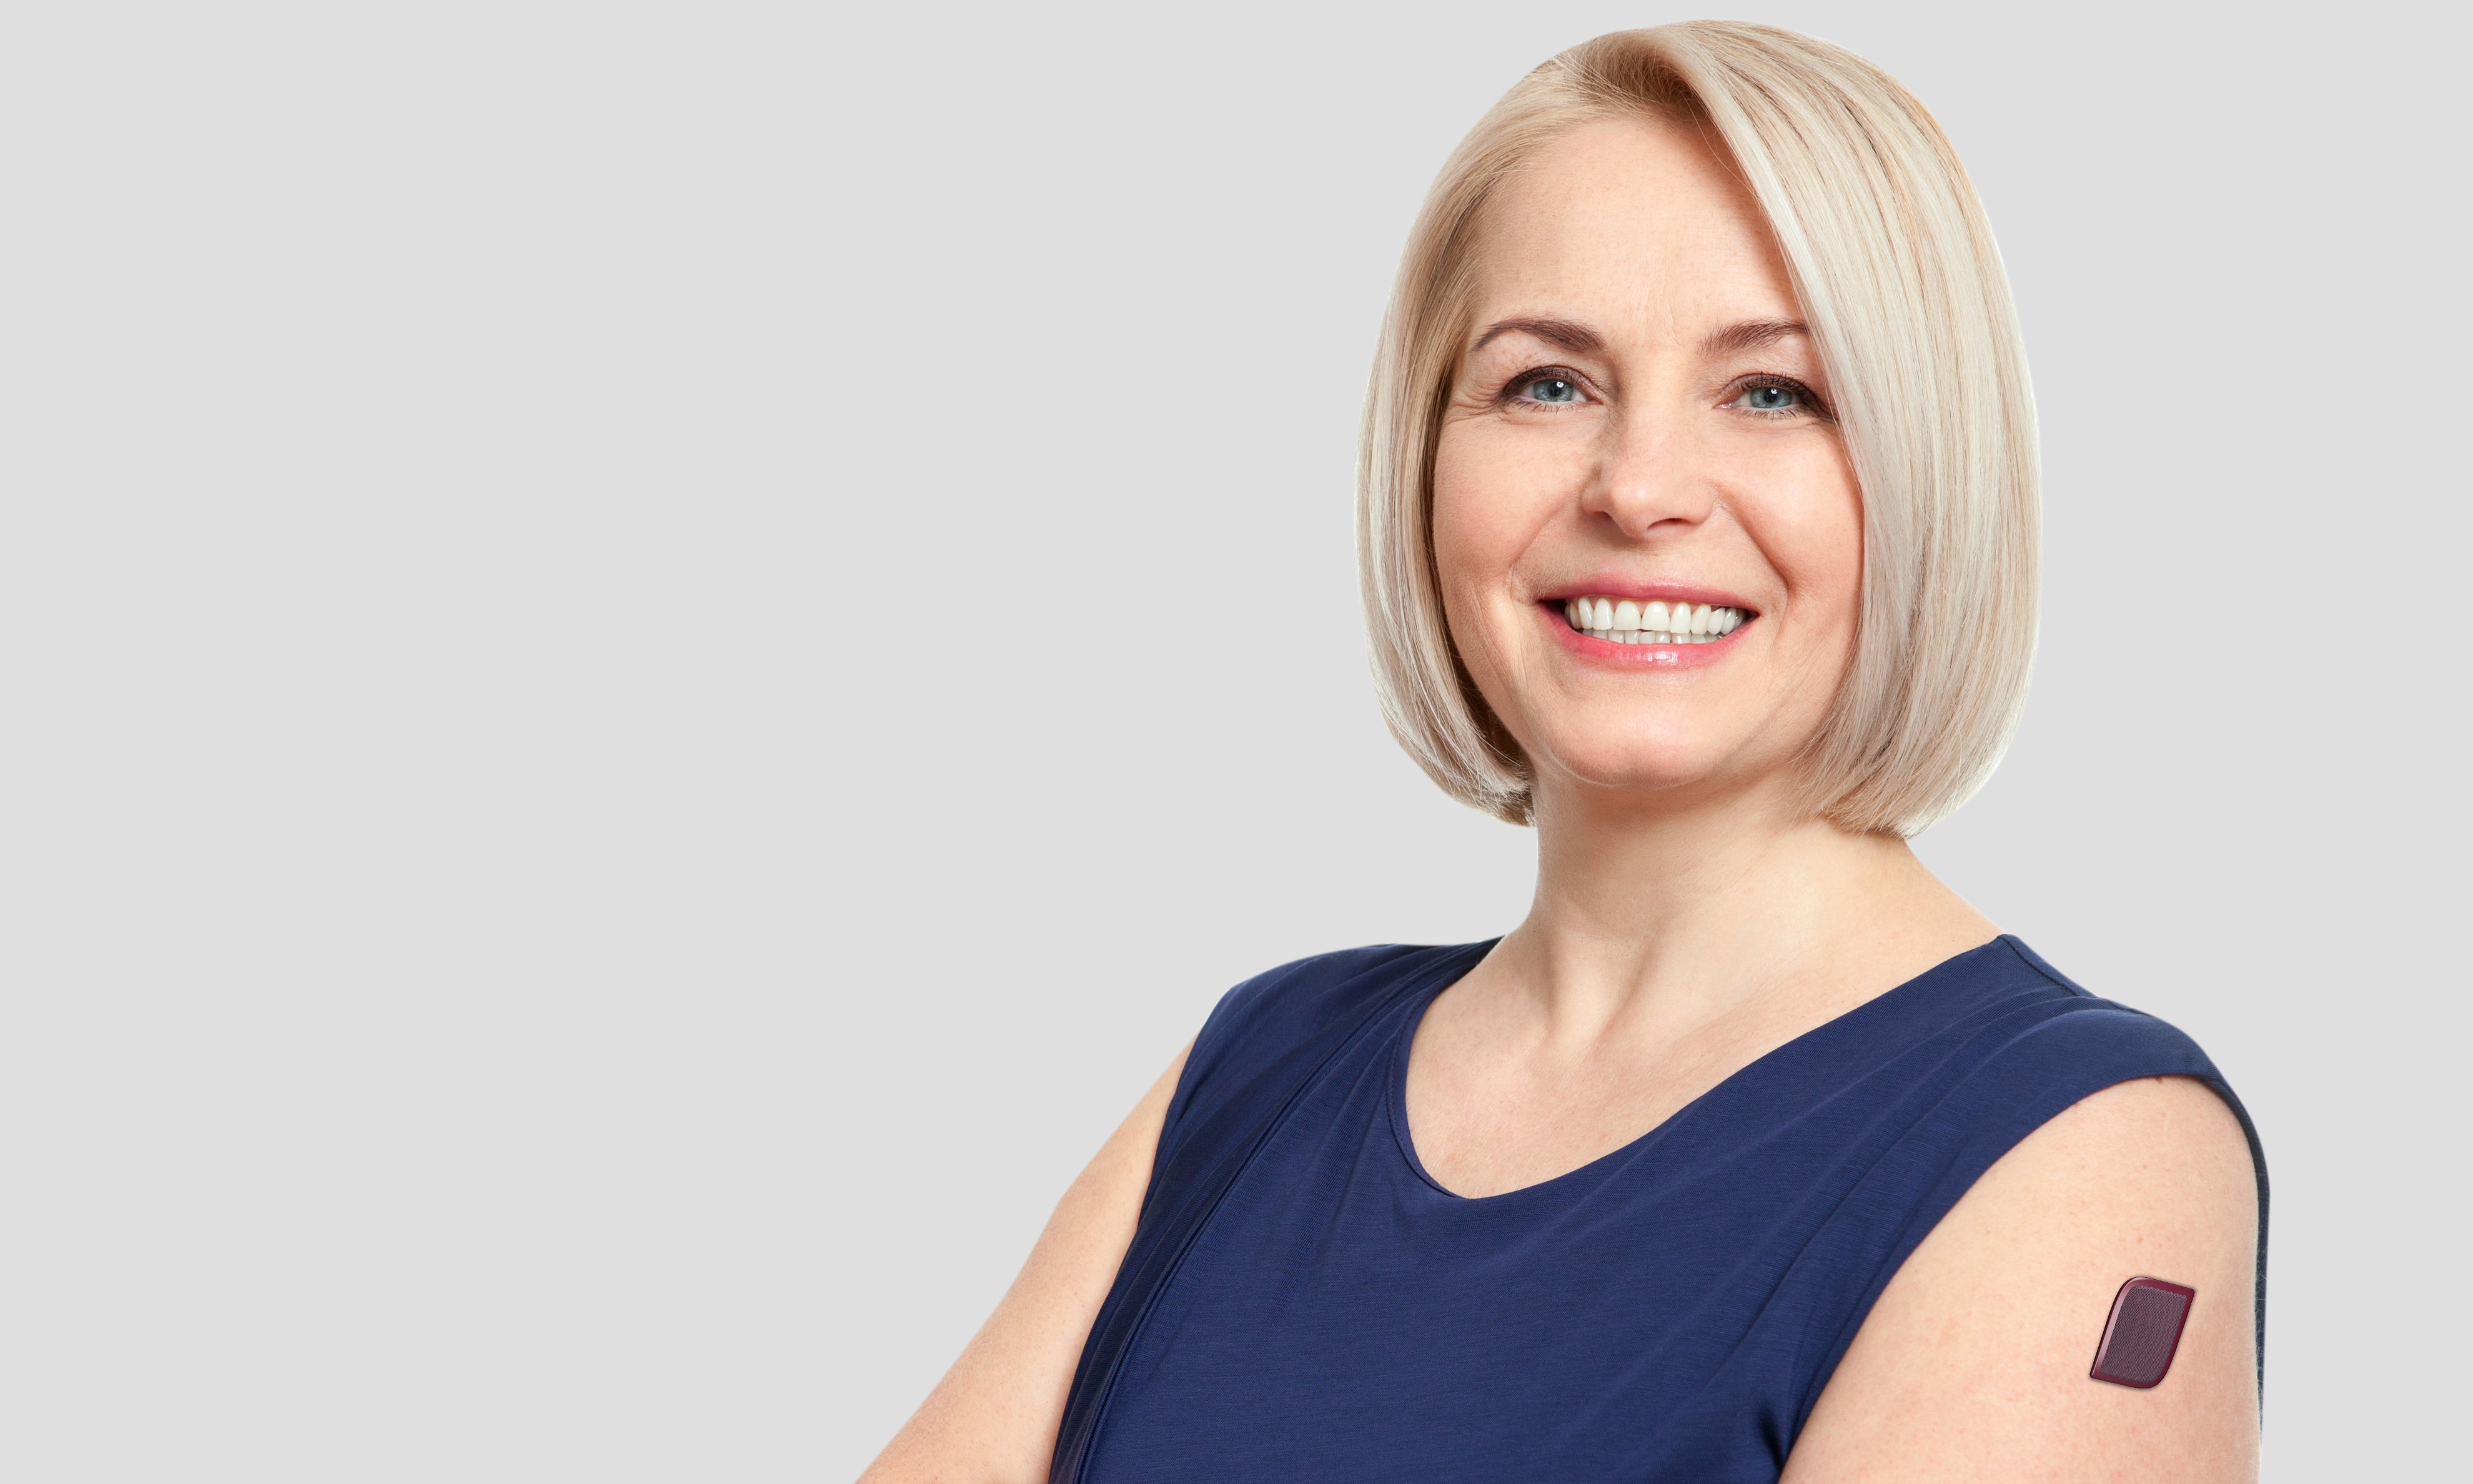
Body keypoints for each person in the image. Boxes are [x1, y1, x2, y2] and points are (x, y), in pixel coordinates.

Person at [861, 20, 2266, 1483]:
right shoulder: (1256, 1074)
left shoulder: (2081, 1147)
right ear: (1428, 455)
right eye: (1548, 384)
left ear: (1928, 469)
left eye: (1774, 392)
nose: (1639, 487)